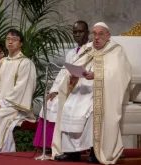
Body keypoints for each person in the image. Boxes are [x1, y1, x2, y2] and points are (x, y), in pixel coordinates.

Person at [52, 22, 131, 164]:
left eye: (101, 34)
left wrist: (97, 75)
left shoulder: (116, 51)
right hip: (82, 89)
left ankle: (96, 151)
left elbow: (120, 74)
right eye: (94, 34)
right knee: (68, 106)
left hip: (103, 91)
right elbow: (73, 69)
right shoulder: (87, 49)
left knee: (93, 109)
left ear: (108, 36)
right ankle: (72, 152)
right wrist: (73, 76)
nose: (97, 37)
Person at [33, 20, 89, 152]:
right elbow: (63, 74)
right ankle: (47, 144)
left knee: (60, 104)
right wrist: (54, 90)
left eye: (80, 31)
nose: (77, 35)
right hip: (67, 87)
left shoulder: (91, 50)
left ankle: (63, 145)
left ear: (87, 32)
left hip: (82, 88)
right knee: (51, 101)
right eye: (75, 32)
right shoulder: (71, 53)